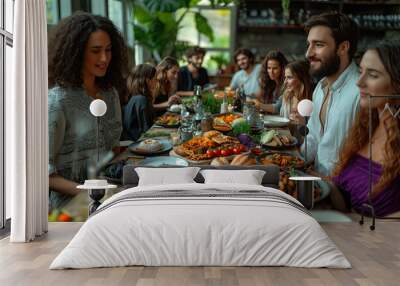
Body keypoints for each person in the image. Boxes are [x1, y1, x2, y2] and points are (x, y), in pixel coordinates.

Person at [48, 12, 128, 210]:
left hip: (110, 195)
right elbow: (44, 174)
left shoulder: (110, 94)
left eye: (109, 50)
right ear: (76, 53)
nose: (104, 58)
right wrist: (91, 193)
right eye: (95, 51)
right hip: (71, 207)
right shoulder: (58, 101)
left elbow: (112, 150)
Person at [330, 41, 400, 217]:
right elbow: (347, 203)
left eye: (373, 75)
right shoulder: (366, 126)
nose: (359, 82)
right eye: (360, 72)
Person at [301, 12, 360, 176]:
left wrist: (330, 183)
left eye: (318, 45)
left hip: (344, 194)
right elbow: (312, 137)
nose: (308, 53)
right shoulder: (320, 87)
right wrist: (293, 161)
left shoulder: (361, 92)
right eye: (309, 44)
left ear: (343, 47)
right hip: (319, 183)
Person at [122, 64, 157, 141]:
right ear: (148, 81)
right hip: (138, 144)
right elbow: (147, 131)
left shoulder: (136, 97)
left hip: (137, 141)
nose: (156, 82)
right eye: (155, 79)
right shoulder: (142, 100)